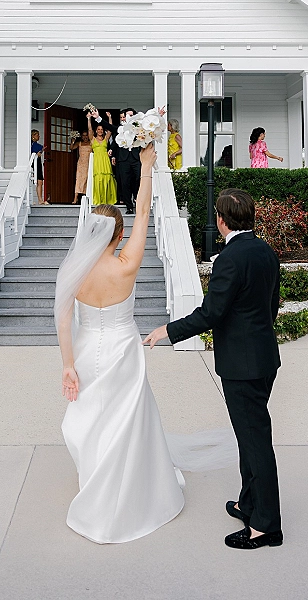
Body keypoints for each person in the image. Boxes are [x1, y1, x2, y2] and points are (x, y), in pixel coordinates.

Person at [55, 144, 184, 543]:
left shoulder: (73, 270)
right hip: (123, 350)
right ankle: (126, 488)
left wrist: (68, 365)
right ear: (119, 234)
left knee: (92, 418)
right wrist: (145, 167)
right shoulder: (127, 264)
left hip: (87, 348)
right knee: (126, 420)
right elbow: (144, 211)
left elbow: (62, 318)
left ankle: (94, 480)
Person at [144, 188, 283, 551]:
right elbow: (272, 306)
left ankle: (266, 526)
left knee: (255, 442)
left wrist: (167, 331)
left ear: (221, 221)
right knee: (249, 436)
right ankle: (248, 503)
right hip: (264, 358)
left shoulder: (229, 259)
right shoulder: (266, 251)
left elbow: (212, 313)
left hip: (242, 364)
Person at [95, 107, 141, 214]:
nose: (126, 118)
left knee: (138, 179)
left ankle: (137, 199)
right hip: (123, 159)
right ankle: (129, 206)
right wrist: (98, 118)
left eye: (129, 115)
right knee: (124, 182)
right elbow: (110, 128)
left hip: (136, 158)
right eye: (126, 116)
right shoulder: (120, 128)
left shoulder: (139, 127)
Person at [86, 111, 117, 205]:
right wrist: (89, 119)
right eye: (98, 129)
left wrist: (110, 117)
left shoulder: (106, 139)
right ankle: (99, 200)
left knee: (107, 178)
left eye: (101, 129)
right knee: (98, 179)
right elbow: (89, 130)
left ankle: (109, 200)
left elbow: (110, 129)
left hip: (105, 160)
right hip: (97, 161)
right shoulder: (93, 139)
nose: (100, 131)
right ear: (96, 131)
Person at [71, 130, 92, 203]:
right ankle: (75, 197)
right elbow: (71, 148)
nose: (85, 137)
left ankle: (86, 197)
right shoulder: (79, 143)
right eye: (83, 135)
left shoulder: (91, 143)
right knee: (79, 179)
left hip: (89, 163)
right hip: (81, 164)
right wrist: (73, 141)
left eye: (86, 135)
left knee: (87, 180)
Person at [31, 130, 48, 205]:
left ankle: (40, 200)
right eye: (37, 135)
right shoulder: (30, 145)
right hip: (32, 165)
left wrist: (41, 151)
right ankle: (35, 200)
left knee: (40, 182)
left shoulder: (37, 145)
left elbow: (39, 152)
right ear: (33, 136)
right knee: (35, 181)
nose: (39, 136)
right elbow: (33, 152)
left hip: (38, 164)